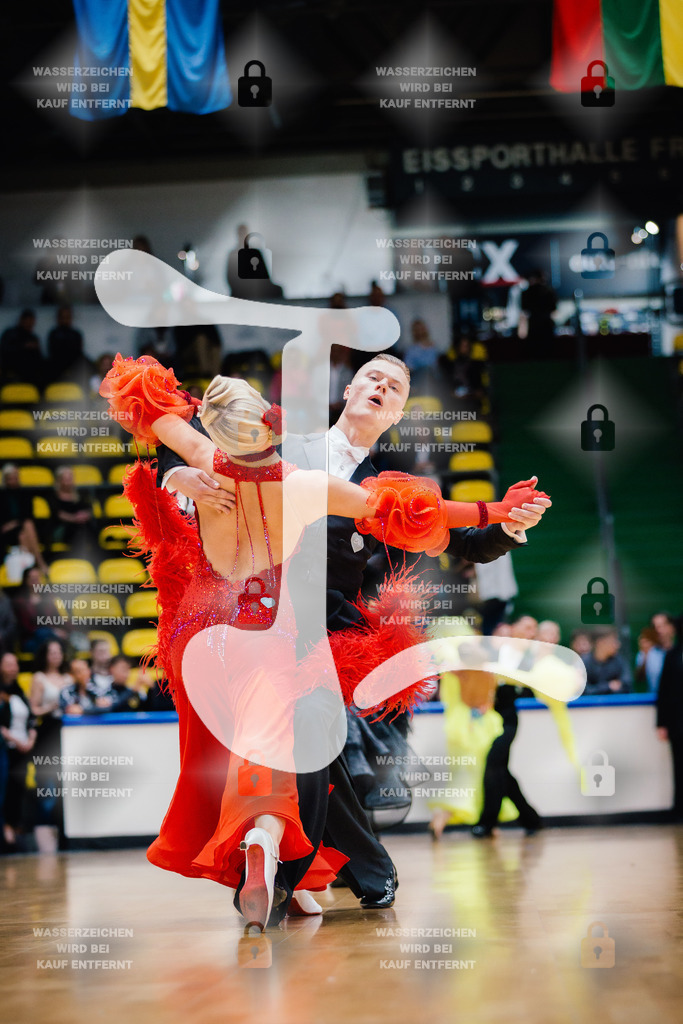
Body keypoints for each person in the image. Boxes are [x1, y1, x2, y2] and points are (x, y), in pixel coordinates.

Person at [100, 354, 548, 930]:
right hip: (266, 629)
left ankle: (296, 871)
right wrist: (177, 478)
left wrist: (508, 524)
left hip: (318, 634)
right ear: (350, 388)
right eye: (373, 377)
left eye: (395, 386)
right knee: (302, 747)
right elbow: (190, 443)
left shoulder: (388, 478)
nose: (381, 386)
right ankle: (309, 871)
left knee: (304, 749)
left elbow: (460, 540)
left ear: (398, 412)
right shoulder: (290, 454)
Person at [29, 639, 72, 851]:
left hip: (66, 732)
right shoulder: (39, 678)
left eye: (58, 652)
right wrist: (53, 706)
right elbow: (33, 710)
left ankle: (64, 835)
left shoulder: (69, 678)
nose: (56, 655)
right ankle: (44, 838)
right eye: (51, 652)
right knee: (46, 784)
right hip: (47, 732)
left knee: (65, 784)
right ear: (45, 655)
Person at [0, 652, 37, 849]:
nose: (13, 668)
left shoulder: (20, 691)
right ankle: (6, 829)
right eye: (8, 664)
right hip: (7, 748)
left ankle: (16, 828)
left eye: (15, 664)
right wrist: (15, 740)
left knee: (20, 789)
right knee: (6, 790)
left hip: (23, 749)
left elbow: (31, 718)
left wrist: (30, 739)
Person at [656, 643, 683, 820]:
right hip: (677, 722)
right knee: (679, 766)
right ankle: (679, 808)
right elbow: (664, 690)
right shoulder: (673, 654)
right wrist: (661, 723)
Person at [0, 309, 45, 385]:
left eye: (32, 322)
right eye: (28, 322)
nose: (30, 324)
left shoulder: (33, 338)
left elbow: (39, 358)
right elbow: (4, 350)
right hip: (12, 370)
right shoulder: (10, 333)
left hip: (30, 373)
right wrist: (24, 346)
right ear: (22, 320)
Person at [581, 628, 632, 695]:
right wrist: (608, 686)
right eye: (614, 641)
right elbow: (583, 690)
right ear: (600, 643)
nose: (618, 645)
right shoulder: (584, 662)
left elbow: (627, 685)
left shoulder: (619, 660)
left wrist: (597, 688)